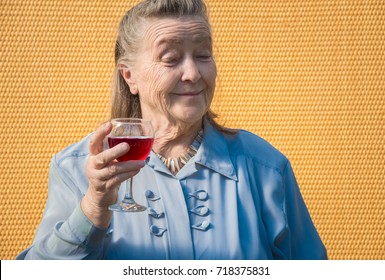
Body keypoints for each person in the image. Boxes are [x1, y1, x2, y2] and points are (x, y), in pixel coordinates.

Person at [17, 0, 327, 260]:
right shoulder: (74, 168)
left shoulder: (266, 167)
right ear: (130, 76)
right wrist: (93, 208)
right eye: (171, 58)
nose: (193, 73)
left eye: (203, 55)